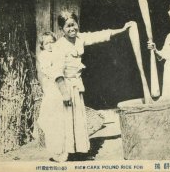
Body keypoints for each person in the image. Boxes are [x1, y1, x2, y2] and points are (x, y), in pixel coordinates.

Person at [49, 11, 133, 162]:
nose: (72, 29)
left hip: (76, 86)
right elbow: (57, 73)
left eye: (73, 24)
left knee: (77, 119)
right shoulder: (59, 46)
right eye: (67, 26)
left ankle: (78, 152)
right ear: (62, 29)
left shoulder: (80, 38)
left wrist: (122, 29)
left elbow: (99, 35)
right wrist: (64, 94)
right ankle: (63, 154)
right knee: (65, 120)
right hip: (64, 88)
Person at [36, 32, 69, 162]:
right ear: (42, 46)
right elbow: (52, 72)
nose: (50, 45)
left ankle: (63, 149)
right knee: (52, 121)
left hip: (58, 89)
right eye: (46, 43)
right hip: (52, 90)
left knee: (61, 120)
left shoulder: (57, 54)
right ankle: (56, 151)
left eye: (52, 42)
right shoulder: (43, 56)